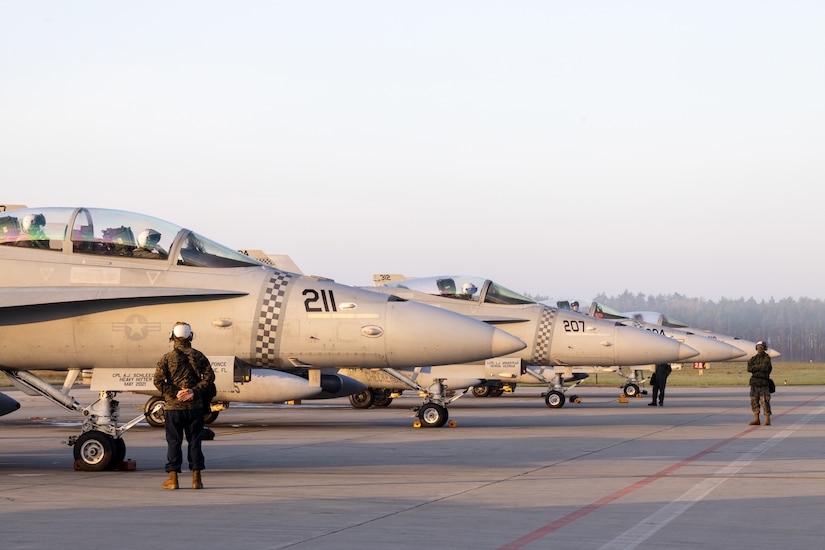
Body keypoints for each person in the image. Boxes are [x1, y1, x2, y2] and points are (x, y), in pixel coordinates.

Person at [153, 322, 215, 490]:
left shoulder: (167, 358)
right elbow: (209, 378)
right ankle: (197, 479)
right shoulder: (199, 356)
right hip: (194, 407)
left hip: (174, 408)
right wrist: (193, 391)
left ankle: (173, 479)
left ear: (172, 336)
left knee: (174, 442)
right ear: (190, 336)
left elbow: (158, 381)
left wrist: (175, 393)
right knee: (195, 441)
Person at [747, 340, 773, 426]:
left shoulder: (767, 358)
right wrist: (758, 368)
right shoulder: (753, 358)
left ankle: (767, 419)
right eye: (758, 346)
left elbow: (764, 367)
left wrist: (755, 368)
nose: (760, 348)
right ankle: (756, 419)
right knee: (754, 401)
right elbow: (749, 368)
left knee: (765, 401)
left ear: (764, 348)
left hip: (763, 383)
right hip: (754, 383)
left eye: (761, 346)